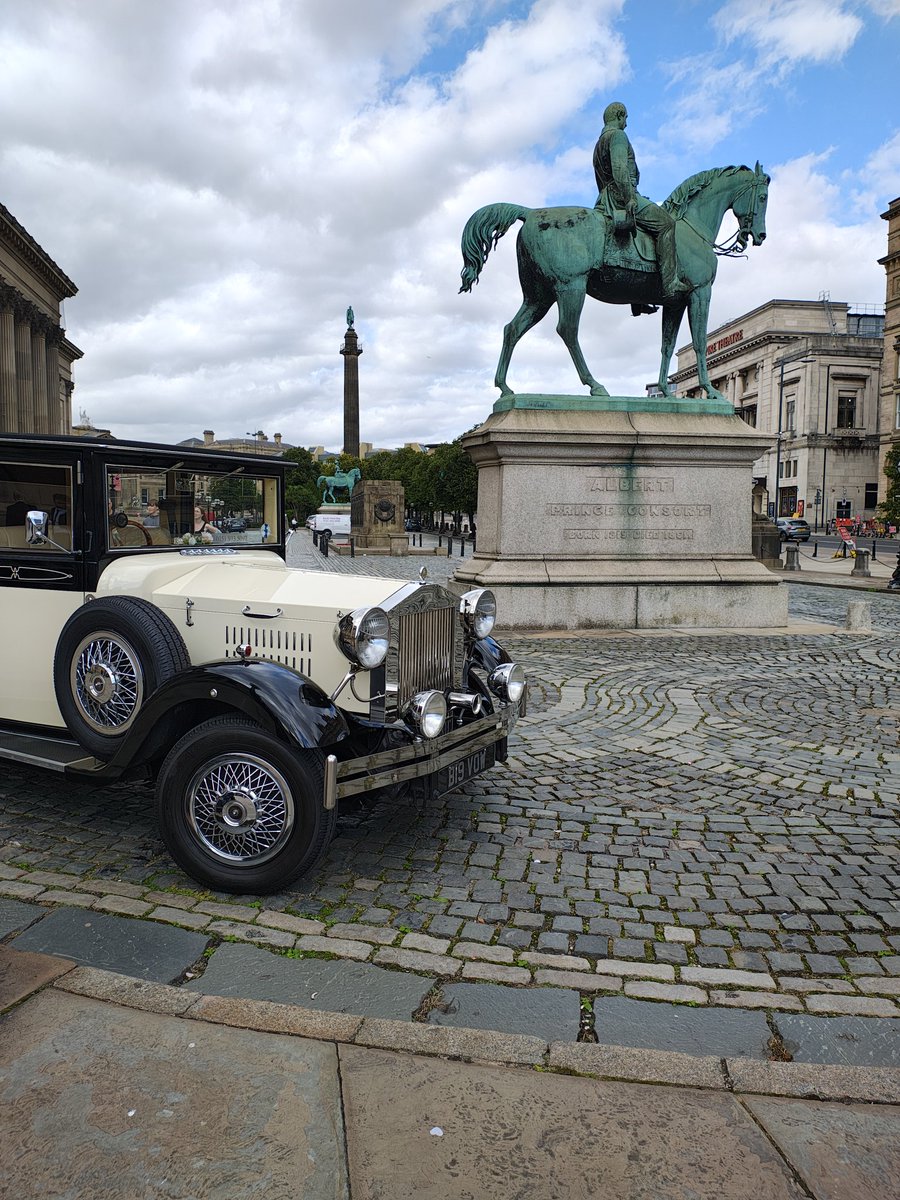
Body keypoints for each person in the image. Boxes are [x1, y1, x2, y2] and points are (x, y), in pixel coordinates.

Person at [593, 101, 688, 299]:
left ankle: (640, 297)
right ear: (619, 115)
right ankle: (670, 283)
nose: (626, 123)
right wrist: (629, 198)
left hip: (605, 197)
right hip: (621, 195)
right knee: (667, 224)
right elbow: (619, 169)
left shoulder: (599, 143)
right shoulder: (618, 136)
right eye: (626, 118)